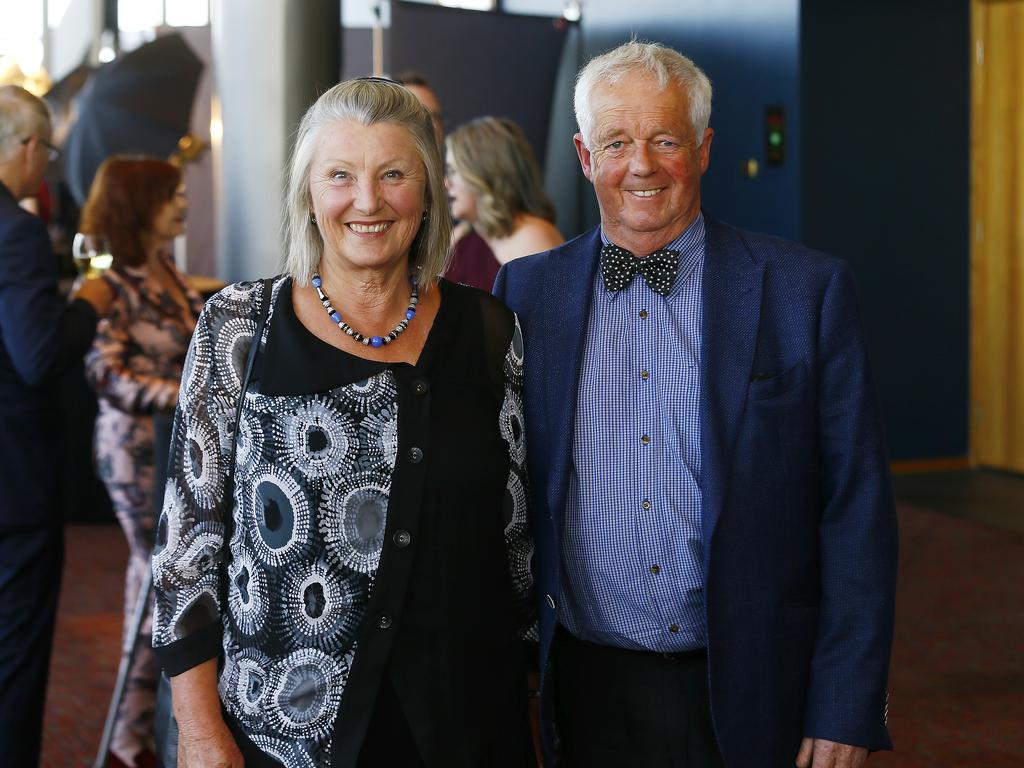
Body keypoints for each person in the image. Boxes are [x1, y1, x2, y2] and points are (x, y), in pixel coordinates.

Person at [494, 41, 898, 768]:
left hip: (751, 688)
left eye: (665, 140)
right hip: (583, 687)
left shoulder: (804, 292)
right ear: (586, 157)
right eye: (616, 142)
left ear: (704, 149)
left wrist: (847, 702)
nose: (641, 165)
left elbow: (857, 515)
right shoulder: (527, 293)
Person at [152, 77, 536, 768]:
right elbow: (189, 548)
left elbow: (514, 544)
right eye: (340, 175)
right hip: (286, 737)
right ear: (307, 193)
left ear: (427, 190)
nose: (367, 201)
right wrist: (201, 730)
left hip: (465, 727)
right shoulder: (242, 326)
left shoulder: (489, 329)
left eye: (394, 174)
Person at [0, 84, 112, 767]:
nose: (45, 166)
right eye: (46, 150)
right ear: (22, 146)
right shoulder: (13, 230)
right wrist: (90, 305)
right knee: (15, 656)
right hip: (12, 482)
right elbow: (39, 357)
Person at [79, 156, 203, 768]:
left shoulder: (166, 270)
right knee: (156, 577)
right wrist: (182, 394)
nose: (183, 204)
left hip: (173, 443)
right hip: (134, 450)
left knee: (160, 580)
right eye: (171, 195)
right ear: (139, 204)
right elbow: (104, 372)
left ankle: (143, 730)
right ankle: (133, 735)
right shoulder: (110, 281)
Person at [446, 117, 562, 275]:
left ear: (484, 174)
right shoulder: (462, 236)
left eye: (453, 172)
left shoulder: (532, 238)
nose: (446, 183)